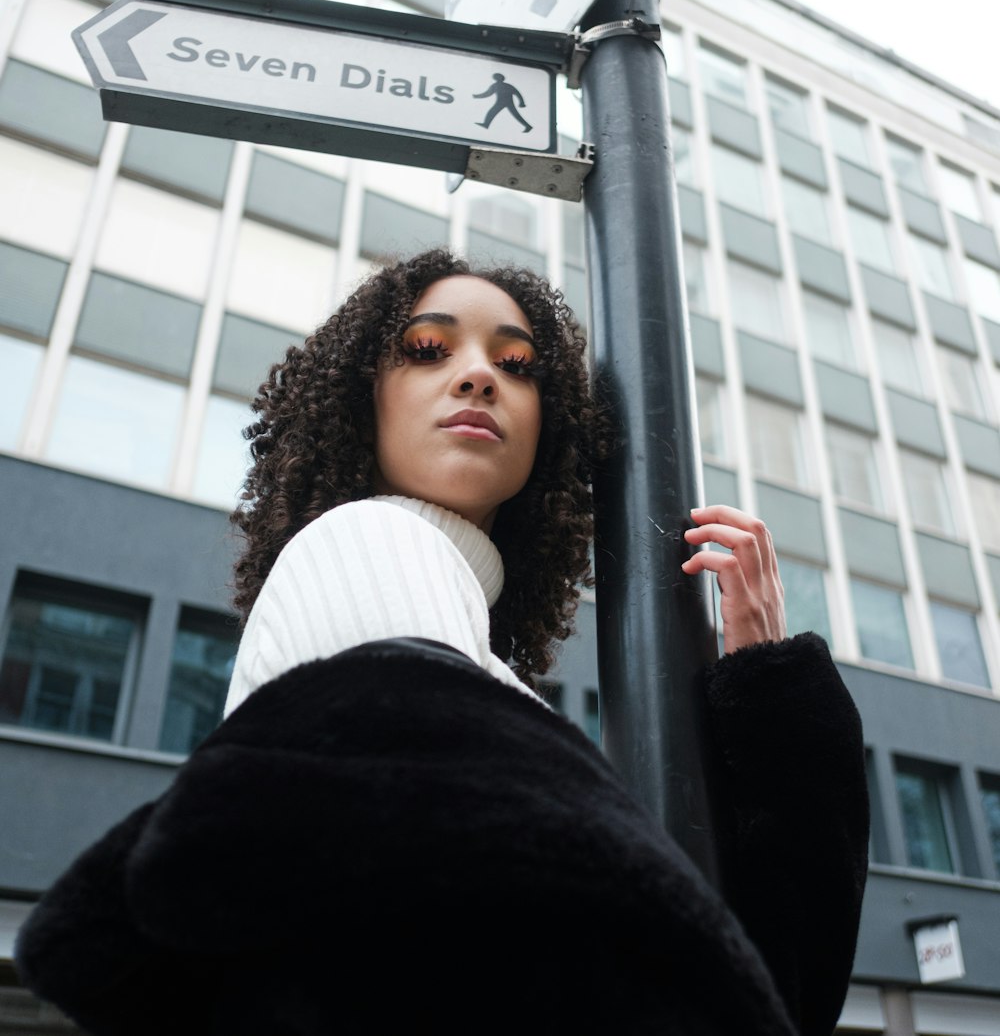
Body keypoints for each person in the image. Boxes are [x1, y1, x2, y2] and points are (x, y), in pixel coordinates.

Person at [15, 249, 869, 1036]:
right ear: (361, 399)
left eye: (518, 364)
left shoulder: (481, 665)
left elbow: (767, 989)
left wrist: (769, 695)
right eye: (427, 348)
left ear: (552, 430)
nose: (477, 377)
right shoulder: (363, 546)